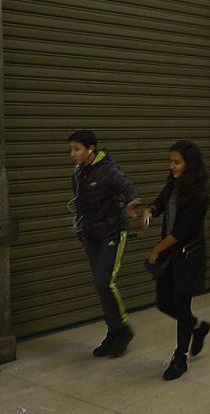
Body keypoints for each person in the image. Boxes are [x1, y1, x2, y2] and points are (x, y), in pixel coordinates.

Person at [140, 141, 210, 381]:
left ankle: (179, 358)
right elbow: (161, 201)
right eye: (171, 161)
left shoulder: (199, 194)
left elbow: (182, 231)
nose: (172, 166)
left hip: (187, 255)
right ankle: (196, 327)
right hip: (170, 255)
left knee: (181, 305)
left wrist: (156, 249)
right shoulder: (174, 183)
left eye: (177, 162)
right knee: (163, 302)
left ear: (189, 165)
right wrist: (150, 210)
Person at [68, 130, 141, 358]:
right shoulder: (79, 173)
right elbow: (81, 206)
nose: (72, 154)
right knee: (100, 286)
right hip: (91, 235)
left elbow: (128, 187)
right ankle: (113, 332)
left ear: (91, 149)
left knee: (105, 281)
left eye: (77, 149)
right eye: (70, 150)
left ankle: (123, 329)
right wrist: (81, 231)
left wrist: (132, 203)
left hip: (112, 232)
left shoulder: (108, 169)